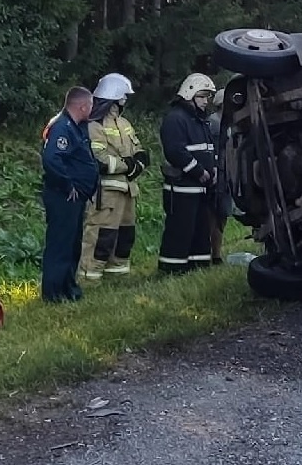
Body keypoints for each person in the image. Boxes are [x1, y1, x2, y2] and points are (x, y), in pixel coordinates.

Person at [79, 73, 149, 280]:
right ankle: (89, 274)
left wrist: (140, 162)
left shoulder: (124, 123)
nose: (126, 99)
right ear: (114, 95)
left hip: (128, 189)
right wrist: (127, 165)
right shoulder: (95, 125)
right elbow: (99, 158)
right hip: (107, 191)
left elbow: (138, 148)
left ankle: (117, 272)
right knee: (101, 233)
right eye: (123, 95)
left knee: (125, 234)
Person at [41, 86, 100, 302]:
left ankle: (68, 288)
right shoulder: (62, 127)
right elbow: (51, 159)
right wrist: (68, 185)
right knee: (60, 244)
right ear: (83, 106)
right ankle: (53, 293)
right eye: (91, 104)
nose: (93, 108)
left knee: (72, 244)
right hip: (62, 196)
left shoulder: (77, 127)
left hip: (76, 198)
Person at [157, 73, 218, 273]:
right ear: (189, 93)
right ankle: (172, 269)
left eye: (208, 97)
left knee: (200, 231)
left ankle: (198, 266)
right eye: (202, 96)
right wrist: (198, 171)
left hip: (200, 188)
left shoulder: (200, 120)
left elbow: (210, 148)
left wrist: (214, 169)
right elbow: (175, 151)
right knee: (180, 230)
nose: (206, 101)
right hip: (182, 187)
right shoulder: (176, 118)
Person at [208, 102, 233, 262]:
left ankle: (215, 253)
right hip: (218, 173)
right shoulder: (214, 123)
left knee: (222, 213)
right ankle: (214, 254)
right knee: (215, 213)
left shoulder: (228, 123)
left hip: (227, 173)